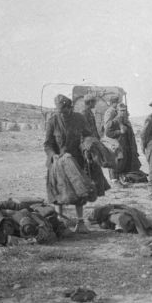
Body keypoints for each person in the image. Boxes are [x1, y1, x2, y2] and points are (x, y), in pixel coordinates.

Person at [44, 94, 96, 233]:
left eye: (65, 110)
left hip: (76, 161)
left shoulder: (79, 118)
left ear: (70, 107)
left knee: (79, 192)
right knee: (58, 193)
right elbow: (47, 144)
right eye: (60, 111)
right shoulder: (53, 121)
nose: (62, 113)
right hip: (57, 162)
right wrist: (53, 155)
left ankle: (80, 223)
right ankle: (60, 223)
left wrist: (86, 147)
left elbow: (88, 135)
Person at [104, 103, 141, 185]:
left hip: (127, 148)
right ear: (117, 111)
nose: (123, 112)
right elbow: (107, 133)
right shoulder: (114, 122)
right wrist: (119, 132)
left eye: (124, 111)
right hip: (119, 148)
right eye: (121, 111)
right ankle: (115, 182)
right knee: (117, 166)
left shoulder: (127, 121)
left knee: (126, 168)